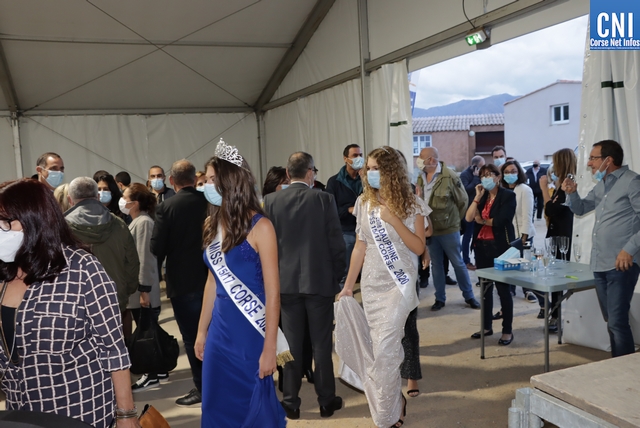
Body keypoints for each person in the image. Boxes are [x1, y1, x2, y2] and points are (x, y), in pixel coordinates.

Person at [0, 179, 139, 428]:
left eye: (4, 223)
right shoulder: (4, 272)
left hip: (78, 411)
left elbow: (114, 351)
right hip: (21, 411)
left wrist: (126, 415)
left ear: (34, 220)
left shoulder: (82, 269)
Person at [195, 140, 287, 428]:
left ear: (230, 182)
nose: (207, 185)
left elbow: (273, 294)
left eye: (213, 179)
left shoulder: (261, 227)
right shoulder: (212, 224)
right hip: (220, 331)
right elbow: (212, 281)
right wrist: (201, 331)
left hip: (250, 333)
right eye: (206, 179)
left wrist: (270, 348)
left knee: (252, 402)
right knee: (215, 402)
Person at [337, 146, 427, 428]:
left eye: (376, 168)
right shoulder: (364, 202)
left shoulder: (412, 203)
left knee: (387, 348)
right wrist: (348, 286)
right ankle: (393, 401)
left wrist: (395, 221)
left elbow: (419, 246)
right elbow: (360, 246)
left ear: (391, 171)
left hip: (399, 283)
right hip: (372, 283)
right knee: (380, 350)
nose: (370, 172)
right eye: (369, 168)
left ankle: (385, 417)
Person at [263, 152, 345, 420]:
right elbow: (336, 242)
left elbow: (267, 246)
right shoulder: (324, 199)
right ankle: (326, 401)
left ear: (288, 173)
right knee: (321, 345)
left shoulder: (271, 201)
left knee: (291, 345)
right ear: (310, 173)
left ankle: (290, 401)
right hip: (319, 282)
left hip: (285, 284)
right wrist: (338, 276)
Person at [563, 139, 640, 358]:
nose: (589, 163)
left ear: (608, 160)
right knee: (612, 320)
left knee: (616, 321)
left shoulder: (632, 181)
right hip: (600, 263)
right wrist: (572, 193)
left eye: (593, 158)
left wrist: (629, 249)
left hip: (621, 264)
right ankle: (618, 363)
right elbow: (580, 208)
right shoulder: (602, 184)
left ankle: (624, 368)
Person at [151, 159, 208, 406]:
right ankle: (220, 383)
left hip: (182, 280)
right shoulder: (209, 202)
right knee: (215, 333)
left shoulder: (167, 207)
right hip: (212, 276)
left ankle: (203, 388)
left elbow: (157, 247)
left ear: (172, 180)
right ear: (195, 179)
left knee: (192, 336)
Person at [417, 147, 480, 311]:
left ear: (431, 160)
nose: (418, 160)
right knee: (436, 265)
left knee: (458, 263)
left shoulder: (450, 176)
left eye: (421, 157)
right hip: (430, 230)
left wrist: (454, 221)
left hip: (449, 229)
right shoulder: (420, 177)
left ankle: (469, 296)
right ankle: (440, 298)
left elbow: (462, 201)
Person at [65, 177, 140, 314]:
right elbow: (132, 262)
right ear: (98, 197)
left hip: (75, 303)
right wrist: (126, 290)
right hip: (114, 298)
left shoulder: (61, 229)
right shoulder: (119, 224)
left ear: (70, 199)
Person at [120, 183, 169, 392]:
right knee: (150, 329)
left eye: (125, 198)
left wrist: (144, 289)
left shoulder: (143, 223)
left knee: (146, 332)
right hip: (140, 289)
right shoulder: (137, 222)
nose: (122, 201)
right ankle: (160, 369)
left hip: (144, 290)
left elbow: (145, 258)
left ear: (135, 203)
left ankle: (151, 374)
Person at [466, 164, 516, 345]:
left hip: (500, 248)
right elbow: (468, 218)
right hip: (481, 247)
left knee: (503, 290)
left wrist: (482, 220)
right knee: (485, 289)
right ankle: (486, 326)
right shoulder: (482, 196)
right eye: (482, 175)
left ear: (498, 177)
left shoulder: (508, 195)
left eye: (489, 175)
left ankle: (507, 331)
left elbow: (502, 220)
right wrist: (477, 197)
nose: (486, 178)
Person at [537, 148, 576, 333]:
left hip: (564, 238)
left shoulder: (568, 183)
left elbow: (550, 210)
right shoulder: (562, 184)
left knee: (560, 277)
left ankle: (557, 315)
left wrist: (544, 189)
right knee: (555, 276)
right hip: (558, 235)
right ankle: (555, 314)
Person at [326, 144, 364, 288]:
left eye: (360, 155)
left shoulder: (367, 179)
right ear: (345, 159)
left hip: (365, 229)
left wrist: (365, 179)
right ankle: (343, 294)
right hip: (346, 230)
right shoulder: (335, 182)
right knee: (346, 270)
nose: (359, 158)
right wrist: (348, 209)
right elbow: (330, 209)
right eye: (355, 155)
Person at [500, 160, 536, 302]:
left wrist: (524, 236)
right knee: (510, 264)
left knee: (524, 264)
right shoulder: (502, 190)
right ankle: (511, 289)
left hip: (523, 234)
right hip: (508, 233)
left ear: (519, 172)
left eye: (513, 171)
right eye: (506, 172)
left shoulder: (525, 190)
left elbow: (528, 215)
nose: (510, 174)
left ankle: (528, 290)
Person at [460, 156, 485, 270]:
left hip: (479, 210)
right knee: (467, 237)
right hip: (469, 211)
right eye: (481, 166)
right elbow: (466, 190)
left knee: (477, 237)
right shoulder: (464, 175)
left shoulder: (480, 175)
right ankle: (466, 261)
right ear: (475, 166)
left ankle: (478, 260)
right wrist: (475, 178)